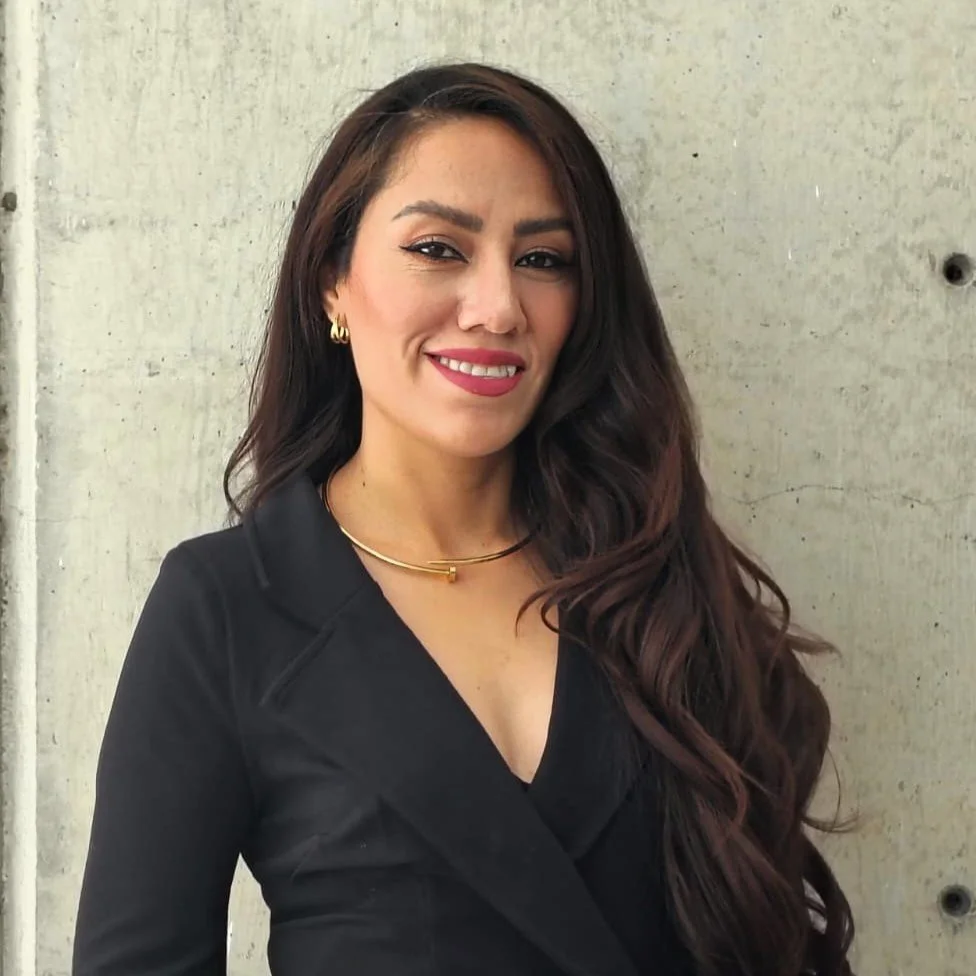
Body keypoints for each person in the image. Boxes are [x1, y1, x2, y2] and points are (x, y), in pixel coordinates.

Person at [72, 62, 856, 976]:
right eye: (439, 249)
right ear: (333, 282)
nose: (497, 308)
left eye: (543, 260)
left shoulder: (662, 582)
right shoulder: (227, 606)